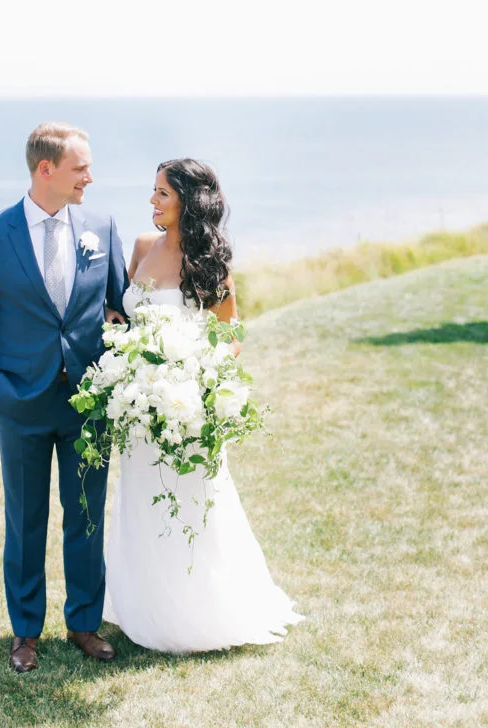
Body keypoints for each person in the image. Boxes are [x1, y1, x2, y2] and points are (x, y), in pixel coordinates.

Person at [102, 158, 303, 652]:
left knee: (193, 502)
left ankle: (199, 610)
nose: (152, 201)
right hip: (141, 405)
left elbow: (230, 335)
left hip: (185, 407)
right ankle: (142, 604)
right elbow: (123, 312)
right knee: (141, 501)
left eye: (162, 193)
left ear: (188, 201)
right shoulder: (142, 247)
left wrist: (194, 373)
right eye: (153, 191)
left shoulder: (209, 260)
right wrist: (119, 338)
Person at [0, 122, 128, 672]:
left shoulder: (101, 227)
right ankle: (25, 632)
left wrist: (118, 369)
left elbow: (122, 309)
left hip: (88, 404)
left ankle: (84, 624)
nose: (90, 178)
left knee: (86, 517)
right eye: (81, 168)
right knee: (25, 522)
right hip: (21, 406)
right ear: (45, 169)